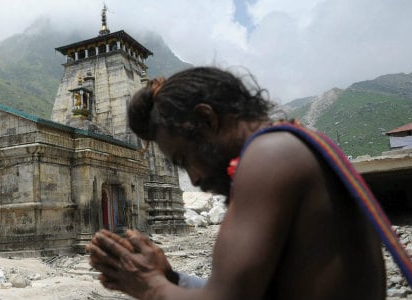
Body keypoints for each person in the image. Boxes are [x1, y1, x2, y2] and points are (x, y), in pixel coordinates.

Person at [86, 67, 386, 299]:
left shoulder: (271, 156)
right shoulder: (294, 143)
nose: (194, 178)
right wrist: (171, 279)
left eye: (184, 159)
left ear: (206, 120)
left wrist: (149, 285)